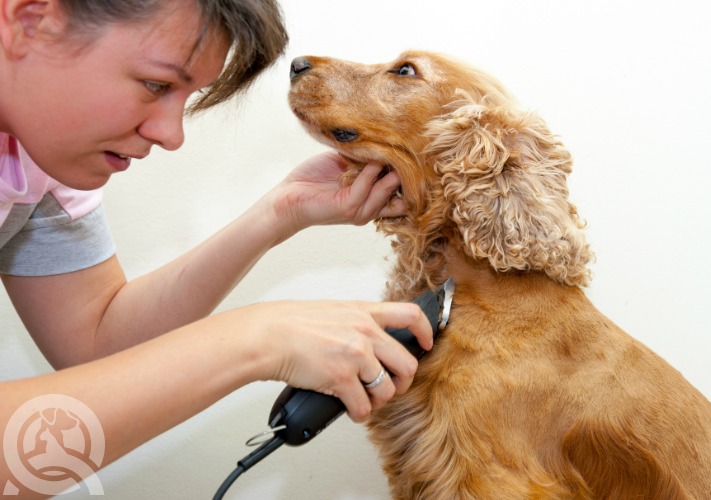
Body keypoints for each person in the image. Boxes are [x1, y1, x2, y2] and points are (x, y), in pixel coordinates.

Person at [0, 0, 433, 493]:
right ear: (30, 20)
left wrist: (280, 213)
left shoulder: (42, 165)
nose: (171, 134)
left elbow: (96, 349)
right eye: (156, 85)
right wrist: (256, 341)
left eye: (186, 97)